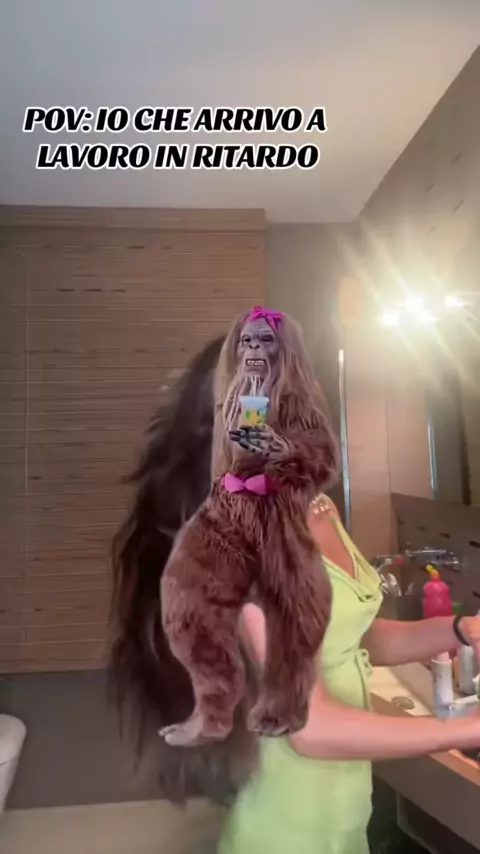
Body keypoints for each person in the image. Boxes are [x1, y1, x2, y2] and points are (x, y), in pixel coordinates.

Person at [109, 335, 480, 854]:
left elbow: (351, 639)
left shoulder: (317, 508)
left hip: (343, 819)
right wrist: (462, 732)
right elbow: (310, 724)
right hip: (285, 829)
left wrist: (458, 629)